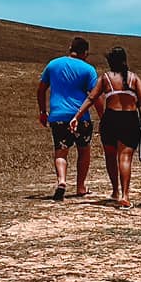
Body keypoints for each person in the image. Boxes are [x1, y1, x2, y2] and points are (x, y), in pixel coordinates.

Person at [73, 43, 141, 208]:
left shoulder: (105, 78)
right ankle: (125, 195)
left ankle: (115, 190)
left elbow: (92, 98)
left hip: (110, 119)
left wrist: (77, 116)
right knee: (125, 158)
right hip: (129, 119)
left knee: (110, 157)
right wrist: (132, 101)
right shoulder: (134, 78)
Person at [37, 37, 99, 201]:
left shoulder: (53, 64)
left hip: (58, 116)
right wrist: (103, 116)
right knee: (84, 150)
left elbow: (41, 90)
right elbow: (95, 96)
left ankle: (62, 181)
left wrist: (43, 111)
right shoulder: (88, 69)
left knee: (60, 151)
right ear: (85, 53)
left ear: (70, 47)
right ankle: (80, 186)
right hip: (81, 116)